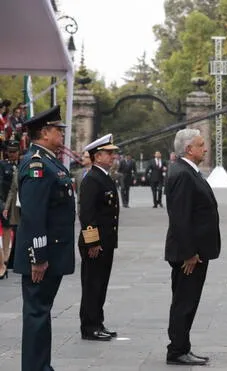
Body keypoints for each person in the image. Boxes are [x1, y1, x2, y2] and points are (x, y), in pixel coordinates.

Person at [15, 105, 75, 371]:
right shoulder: (37, 164)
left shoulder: (49, 161)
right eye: (57, 131)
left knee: (42, 312)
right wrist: (38, 257)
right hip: (41, 255)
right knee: (37, 313)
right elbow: (34, 215)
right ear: (44, 133)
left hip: (52, 252)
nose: (61, 136)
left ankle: (41, 366)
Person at [165, 128, 220, 366]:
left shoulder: (188, 171)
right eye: (200, 144)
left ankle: (182, 346)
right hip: (189, 254)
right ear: (189, 149)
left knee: (188, 301)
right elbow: (180, 218)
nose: (205, 148)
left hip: (195, 251)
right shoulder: (183, 174)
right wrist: (189, 253)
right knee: (184, 302)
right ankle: (177, 350)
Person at [78, 134, 120, 341]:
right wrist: (92, 242)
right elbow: (87, 214)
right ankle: (89, 326)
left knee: (100, 284)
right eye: (109, 153)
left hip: (105, 241)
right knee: (92, 284)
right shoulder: (92, 178)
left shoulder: (103, 176)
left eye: (113, 153)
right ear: (97, 156)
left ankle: (98, 322)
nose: (113, 156)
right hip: (95, 243)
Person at [0, 140, 20, 278]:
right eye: (10, 151)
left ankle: (13, 259)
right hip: (7, 202)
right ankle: (5, 260)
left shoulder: (23, 165)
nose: (12, 154)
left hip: (20, 203)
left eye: (14, 151)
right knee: (7, 230)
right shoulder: (3, 165)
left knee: (18, 230)